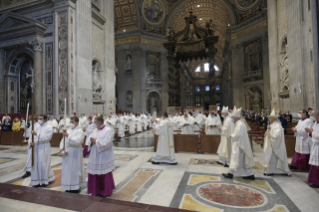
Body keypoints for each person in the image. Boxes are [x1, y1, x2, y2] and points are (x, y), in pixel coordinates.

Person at [222, 106, 255, 180]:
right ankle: (249, 174)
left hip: (239, 146)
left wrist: (232, 135)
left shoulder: (240, 125)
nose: (232, 119)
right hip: (240, 145)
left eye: (233, 117)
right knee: (241, 161)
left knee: (236, 159)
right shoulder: (239, 124)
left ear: (236, 117)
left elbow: (238, 135)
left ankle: (231, 174)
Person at [87, 116, 115, 197]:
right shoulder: (95, 130)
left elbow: (107, 143)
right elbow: (89, 138)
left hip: (103, 155)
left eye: (95, 122)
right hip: (94, 154)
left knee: (103, 172)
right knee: (94, 171)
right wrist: (91, 141)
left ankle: (103, 191)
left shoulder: (108, 130)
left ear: (99, 123)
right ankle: (94, 190)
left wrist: (96, 141)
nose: (94, 124)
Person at [59, 116, 86, 193]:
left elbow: (77, 141)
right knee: (67, 169)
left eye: (72, 122)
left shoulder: (80, 131)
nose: (71, 123)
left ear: (77, 123)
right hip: (67, 152)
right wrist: (61, 147)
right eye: (70, 122)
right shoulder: (68, 130)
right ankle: (68, 186)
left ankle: (76, 186)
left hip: (75, 152)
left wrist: (68, 136)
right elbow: (63, 140)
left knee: (75, 169)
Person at [263, 109, 291, 176]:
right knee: (270, 158)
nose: (269, 119)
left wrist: (269, 131)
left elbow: (277, 136)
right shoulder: (272, 124)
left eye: (270, 118)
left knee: (272, 158)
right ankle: (269, 170)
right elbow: (270, 133)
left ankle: (274, 171)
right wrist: (266, 133)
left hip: (275, 145)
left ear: (273, 118)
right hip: (271, 144)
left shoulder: (277, 125)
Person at [30, 114, 55, 187]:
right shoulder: (39, 127)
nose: (39, 120)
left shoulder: (49, 127)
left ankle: (44, 180)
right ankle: (38, 180)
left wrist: (36, 134)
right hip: (38, 146)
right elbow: (36, 138)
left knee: (43, 163)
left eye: (40, 118)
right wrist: (33, 142)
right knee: (37, 163)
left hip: (45, 147)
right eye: (38, 118)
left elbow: (47, 138)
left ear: (45, 119)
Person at [306, 110, 319, 188]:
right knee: (315, 164)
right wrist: (311, 132)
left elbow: (317, 135)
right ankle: (314, 181)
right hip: (316, 145)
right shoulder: (315, 123)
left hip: (318, 145)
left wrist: (311, 132)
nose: (314, 117)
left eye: (315, 116)